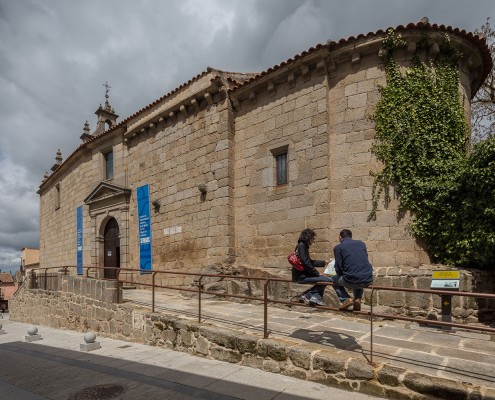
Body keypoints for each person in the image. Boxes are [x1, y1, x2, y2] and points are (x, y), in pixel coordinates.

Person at [331, 229, 373, 311]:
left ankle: (345, 299)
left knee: (333, 279)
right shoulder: (361, 243)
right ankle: (357, 299)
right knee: (357, 274)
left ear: (340, 237)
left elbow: (338, 267)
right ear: (351, 236)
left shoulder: (338, 247)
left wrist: (340, 274)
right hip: (367, 278)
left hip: (352, 279)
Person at [292, 228, 332, 306]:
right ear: (308, 238)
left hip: (303, 275)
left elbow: (309, 261)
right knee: (326, 279)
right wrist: (316, 273)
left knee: (324, 279)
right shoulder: (301, 246)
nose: (313, 241)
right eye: (312, 238)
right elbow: (306, 262)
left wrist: (324, 262)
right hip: (301, 276)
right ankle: (308, 295)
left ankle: (314, 297)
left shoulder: (302, 246)